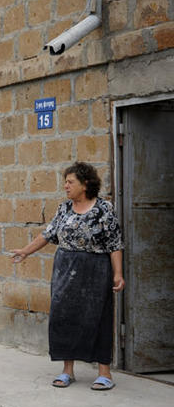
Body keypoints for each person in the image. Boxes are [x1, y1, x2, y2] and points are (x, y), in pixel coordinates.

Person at [10, 162, 125, 391]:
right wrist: (25, 251)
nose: (66, 186)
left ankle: (104, 372)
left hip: (96, 269)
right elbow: (48, 234)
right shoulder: (64, 209)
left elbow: (115, 243)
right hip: (65, 268)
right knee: (63, 316)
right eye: (65, 182)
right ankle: (67, 371)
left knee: (99, 318)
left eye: (70, 182)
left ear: (85, 184)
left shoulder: (104, 209)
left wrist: (118, 274)